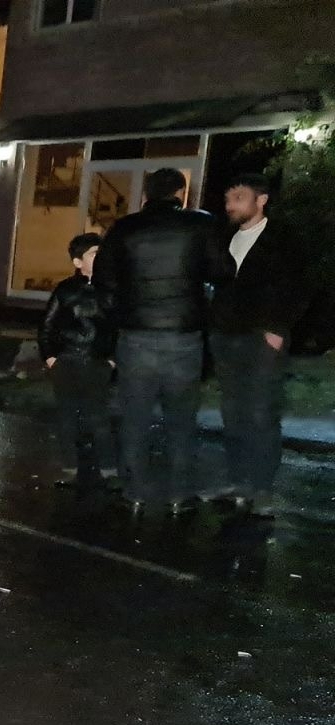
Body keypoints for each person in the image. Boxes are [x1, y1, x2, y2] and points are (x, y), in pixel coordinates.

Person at [94, 167, 235, 513]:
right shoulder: (200, 224)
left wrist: (122, 316)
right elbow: (224, 271)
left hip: (136, 338)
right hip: (183, 337)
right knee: (181, 420)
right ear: (180, 194)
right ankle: (178, 494)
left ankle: (135, 491)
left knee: (135, 418)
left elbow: (103, 283)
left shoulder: (124, 228)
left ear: (146, 195)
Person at [207, 173, 307, 516]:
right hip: (225, 335)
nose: (230, 205)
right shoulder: (225, 237)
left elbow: (299, 285)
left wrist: (277, 328)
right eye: (227, 199)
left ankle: (261, 486)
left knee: (261, 411)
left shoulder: (282, 238)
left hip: (261, 337)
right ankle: (238, 481)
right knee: (232, 410)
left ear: (260, 200)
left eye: (238, 197)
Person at [39, 233, 117, 487]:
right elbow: (47, 325)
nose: (100, 258)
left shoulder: (112, 289)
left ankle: (109, 469)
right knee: (66, 417)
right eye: (94, 253)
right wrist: (51, 357)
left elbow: (119, 326)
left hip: (97, 362)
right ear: (78, 261)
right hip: (67, 361)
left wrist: (112, 360)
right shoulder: (65, 290)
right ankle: (70, 467)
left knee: (99, 417)